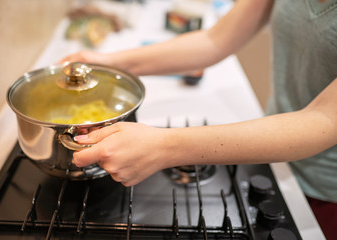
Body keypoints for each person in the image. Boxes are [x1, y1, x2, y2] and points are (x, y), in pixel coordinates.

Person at [59, 0, 337, 238]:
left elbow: (323, 118)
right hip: (271, 149)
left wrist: (164, 147)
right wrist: (111, 64)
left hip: (324, 190)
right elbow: (215, 39)